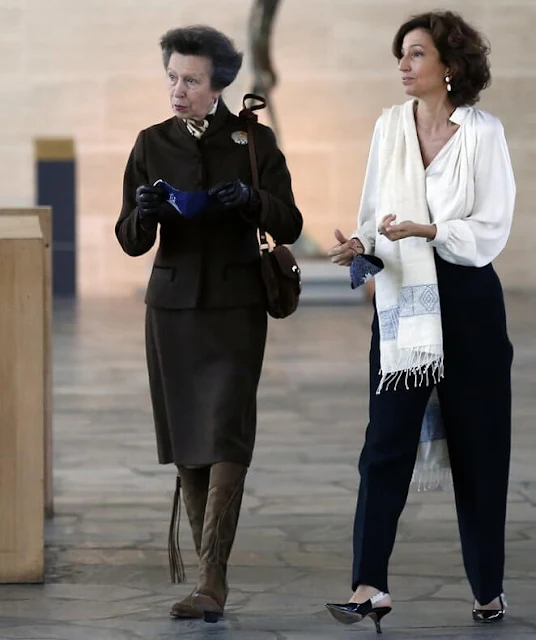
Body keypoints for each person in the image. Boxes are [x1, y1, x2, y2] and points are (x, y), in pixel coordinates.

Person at [325, 10, 515, 633]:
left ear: (450, 66)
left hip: (469, 302)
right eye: (401, 56)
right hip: (405, 301)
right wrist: (358, 245)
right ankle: (368, 585)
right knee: (384, 446)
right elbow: (375, 210)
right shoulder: (389, 126)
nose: (403, 66)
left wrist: (429, 230)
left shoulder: (484, 133)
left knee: (480, 449)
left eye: (415, 54)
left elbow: (491, 230)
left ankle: (489, 589)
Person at [115, 25, 302, 622]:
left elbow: (290, 222)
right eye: (172, 78)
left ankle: (212, 581)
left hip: (236, 306)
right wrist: (144, 213)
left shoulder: (254, 140)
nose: (178, 90)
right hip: (170, 310)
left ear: (217, 83)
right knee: (190, 443)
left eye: (190, 80)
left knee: (226, 434)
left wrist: (250, 199)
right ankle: (206, 582)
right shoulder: (150, 143)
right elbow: (128, 239)